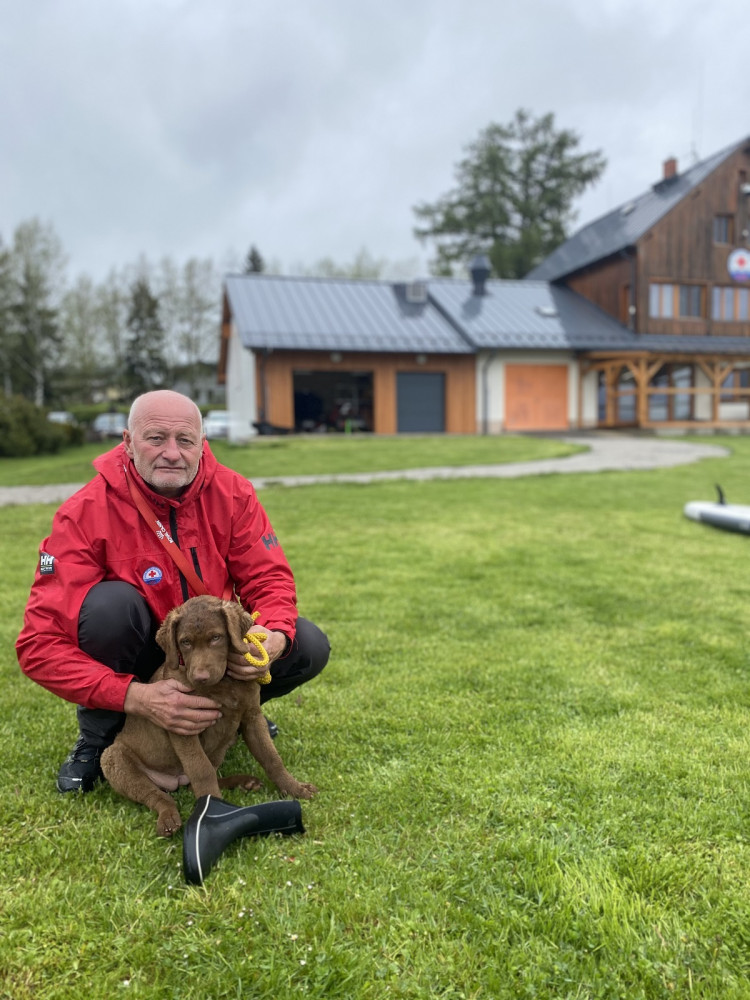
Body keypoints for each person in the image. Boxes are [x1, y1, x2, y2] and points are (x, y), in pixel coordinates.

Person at [16, 390, 330, 793]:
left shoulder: (234, 493)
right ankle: (99, 738)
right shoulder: (84, 512)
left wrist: (272, 636)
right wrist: (135, 696)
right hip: (145, 654)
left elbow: (268, 580)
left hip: (211, 644)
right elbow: (39, 645)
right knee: (111, 609)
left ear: (202, 444)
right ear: (127, 442)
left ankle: (229, 715)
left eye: (185, 440)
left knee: (307, 644)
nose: (172, 453)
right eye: (155, 438)